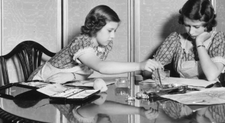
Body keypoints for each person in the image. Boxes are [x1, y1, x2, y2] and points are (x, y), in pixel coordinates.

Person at [151, 0, 225, 123]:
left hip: (211, 99)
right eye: (187, 25)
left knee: (202, 122)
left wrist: (200, 43)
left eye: (197, 27)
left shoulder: (220, 39)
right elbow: (154, 66)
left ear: (208, 24)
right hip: (181, 98)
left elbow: (211, 75)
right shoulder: (175, 39)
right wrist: (158, 73)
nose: (191, 31)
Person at [29, 5, 163, 84]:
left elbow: (86, 72)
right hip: (40, 82)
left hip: (62, 84)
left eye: (115, 31)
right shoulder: (82, 42)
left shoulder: (104, 46)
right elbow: (101, 67)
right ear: (95, 27)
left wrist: (72, 76)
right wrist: (139, 65)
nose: (113, 36)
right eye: (110, 31)